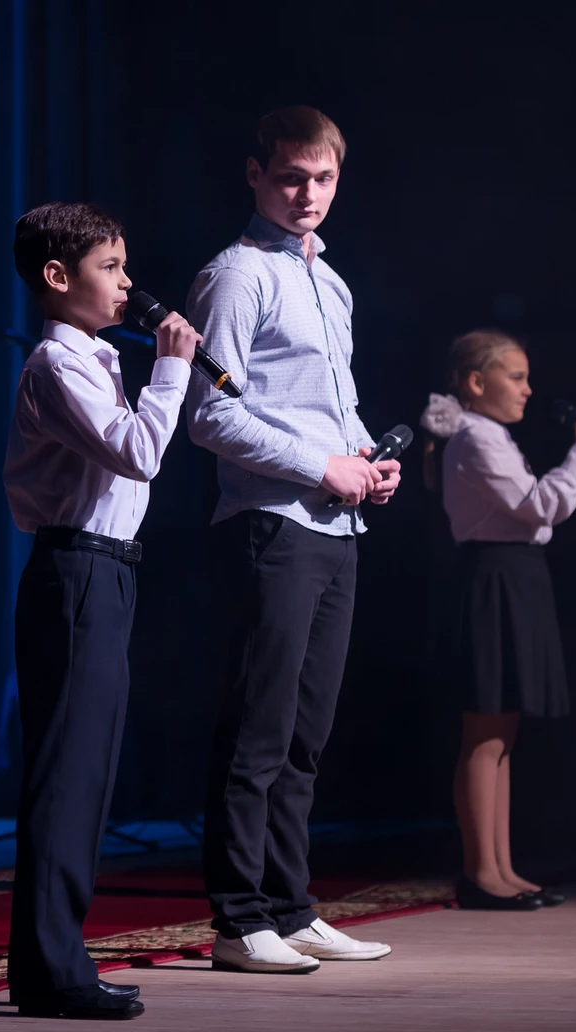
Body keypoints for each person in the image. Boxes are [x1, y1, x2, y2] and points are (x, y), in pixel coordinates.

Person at [185, 106, 399, 973]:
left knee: (305, 736)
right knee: (259, 732)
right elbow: (209, 415)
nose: (307, 194)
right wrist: (320, 466)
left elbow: (328, 403)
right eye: (290, 177)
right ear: (254, 174)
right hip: (272, 524)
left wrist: (364, 459)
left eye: (323, 179)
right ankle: (238, 920)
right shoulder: (235, 276)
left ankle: (289, 907)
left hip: (333, 525)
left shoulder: (330, 281)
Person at [3, 202, 201, 1018]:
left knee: (87, 773)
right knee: (67, 775)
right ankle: (51, 972)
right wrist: (173, 370)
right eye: (110, 268)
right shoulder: (59, 363)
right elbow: (138, 452)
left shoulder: (93, 358)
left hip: (105, 571)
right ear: (57, 277)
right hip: (76, 571)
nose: (128, 283)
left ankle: (55, 962)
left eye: (124, 266)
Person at [418, 330, 576, 911]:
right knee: (485, 732)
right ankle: (482, 874)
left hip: (515, 575)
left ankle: (500, 867)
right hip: (495, 578)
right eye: (517, 377)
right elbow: (540, 506)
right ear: (477, 383)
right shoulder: (477, 436)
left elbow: (536, 513)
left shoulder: (490, 434)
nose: (528, 390)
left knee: (502, 732)